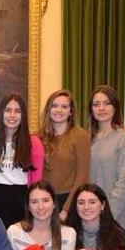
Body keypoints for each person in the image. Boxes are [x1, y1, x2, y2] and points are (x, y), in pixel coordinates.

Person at [0, 93, 44, 227]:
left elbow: (36, 181)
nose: (12, 115)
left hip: (21, 200)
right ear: (1, 113)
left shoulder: (33, 143)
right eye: (8, 110)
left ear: (23, 115)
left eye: (17, 111)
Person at [87, 85, 125, 232]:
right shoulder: (89, 136)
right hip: (89, 212)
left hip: (114, 214)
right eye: (96, 104)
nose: (101, 108)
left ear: (115, 107)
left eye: (107, 103)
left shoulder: (124, 136)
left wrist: (108, 214)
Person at [39, 89, 90, 222]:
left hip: (69, 199)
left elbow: (82, 176)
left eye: (64, 106)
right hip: (43, 200)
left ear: (71, 112)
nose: (59, 110)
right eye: (54, 106)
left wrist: (67, 209)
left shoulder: (80, 136)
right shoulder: (38, 137)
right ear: (48, 110)